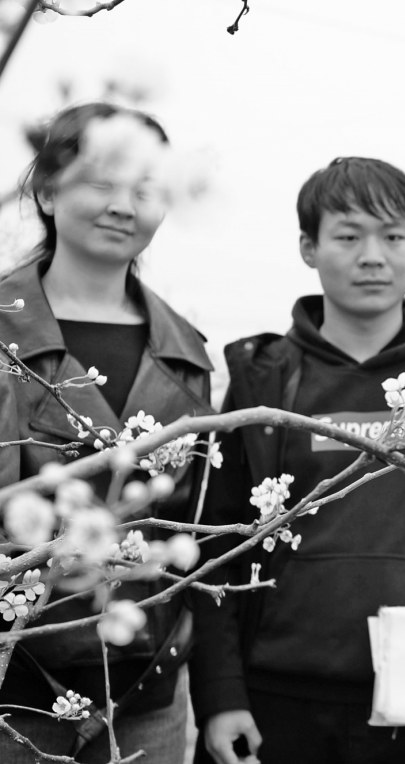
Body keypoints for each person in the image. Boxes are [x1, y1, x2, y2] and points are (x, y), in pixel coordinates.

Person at [188, 157, 405, 764]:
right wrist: (220, 696)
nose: (372, 257)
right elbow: (216, 542)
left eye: (393, 237)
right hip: (277, 701)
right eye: (348, 237)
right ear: (309, 247)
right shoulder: (265, 380)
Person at [0, 103, 214, 762]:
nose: (123, 206)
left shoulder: (187, 352)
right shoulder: (4, 329)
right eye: (102, 182)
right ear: (46, 189)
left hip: (147, 689)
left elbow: (195, 529)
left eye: (145, 188)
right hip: (16, 680)